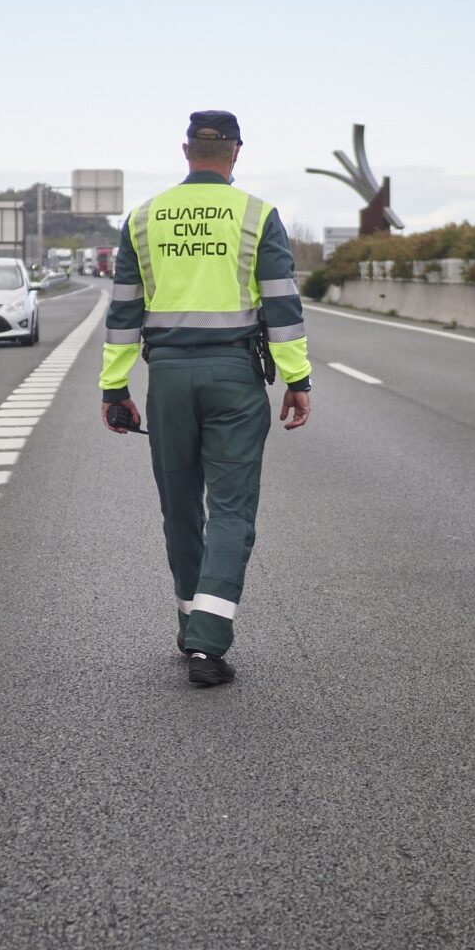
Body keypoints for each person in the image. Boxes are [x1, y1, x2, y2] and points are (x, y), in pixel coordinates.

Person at [99, 110, 312, 688]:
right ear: (236, 152)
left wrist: (115, 387)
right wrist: (297, 380)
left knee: (180, 508)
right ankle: (207, 643)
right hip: (234, 378)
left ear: (186, 149)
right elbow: (282, 306)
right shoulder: (257, 215)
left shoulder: (143, 218)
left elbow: (123, 311)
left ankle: (191, 622)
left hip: (168, 378)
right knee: (231, 509)